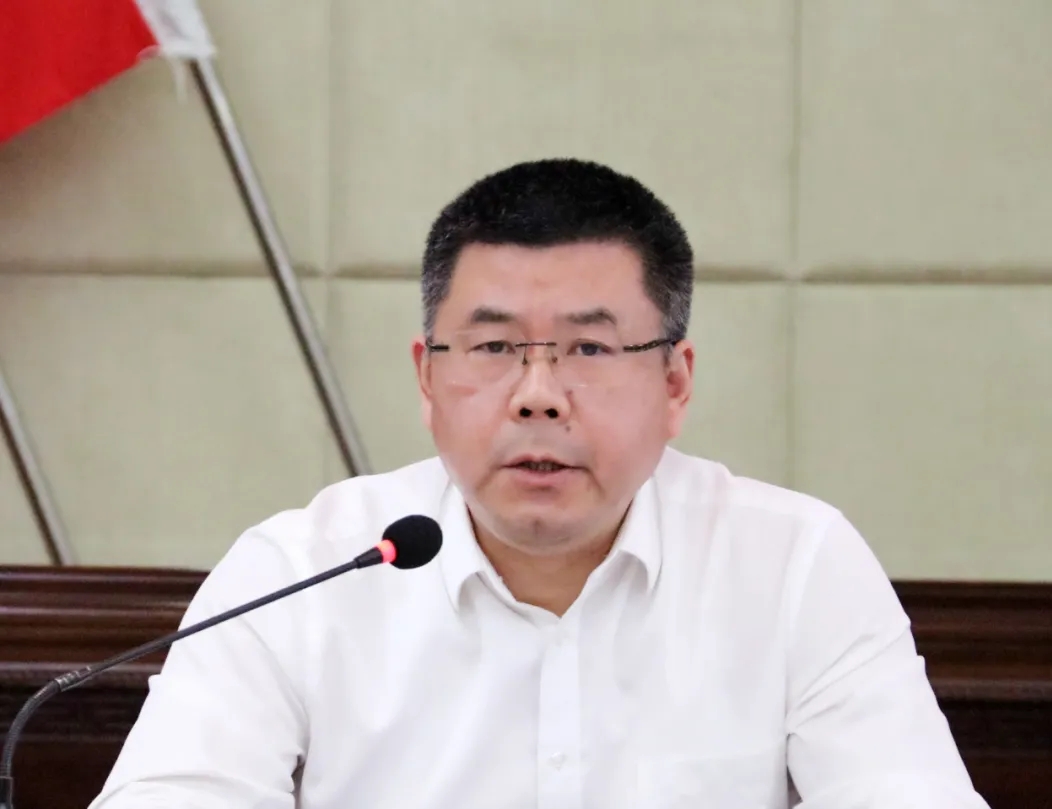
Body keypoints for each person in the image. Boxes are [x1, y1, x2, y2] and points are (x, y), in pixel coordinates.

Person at [89, 159, 988, 808]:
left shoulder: (795, 564)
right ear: (428, 377)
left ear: (675, 382)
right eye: (492, 347)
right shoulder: (299, 571)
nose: (538, 394)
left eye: (590, 348)